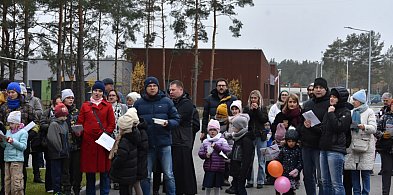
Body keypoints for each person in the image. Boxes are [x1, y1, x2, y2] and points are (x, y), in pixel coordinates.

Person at [133, 76, 180, 195]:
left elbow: (176, 119)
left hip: (164, 144)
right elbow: (133, 121)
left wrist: (168, 123)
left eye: (154, 86)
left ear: (158, 87)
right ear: (145, 88)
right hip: (147, 145)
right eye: (149, 86)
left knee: (169, 175)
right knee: (146, 175)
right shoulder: (138, 103)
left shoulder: (167, 101)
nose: (152, 88)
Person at [77, 81, 115, 195]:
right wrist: (80, 132)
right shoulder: (85, 106)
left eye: (100, 91)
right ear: (92, 92)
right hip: (89, 144)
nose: (97, 93)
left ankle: (105, 193)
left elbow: (111, 124)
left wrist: (105, 134)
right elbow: (80, 122)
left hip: (102, 143)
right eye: (95, 91)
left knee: (104, 173)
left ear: (103, 93)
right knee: (90, 174)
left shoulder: (107, 106)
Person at [0, 82, 39, 194]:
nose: (11, 94)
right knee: (6, 169)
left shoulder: (27, 107)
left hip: (22, 141)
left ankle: (20, 190)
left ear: (18, 92)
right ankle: (5, 190)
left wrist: (30, 134)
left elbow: (36, 122)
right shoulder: (4, 107)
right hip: (6, 142)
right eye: (9, 92)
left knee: (20, 170)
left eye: (13, 92)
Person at [297, 78, 330, 195]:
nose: (318, 90)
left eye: (321, 88)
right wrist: (303, 127)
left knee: (322, 177)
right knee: (308, 176)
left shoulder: (329, 104)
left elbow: (328, 127)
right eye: (316, 87)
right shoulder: (308, 104)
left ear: (325, 89)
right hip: (306, 145)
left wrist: (313, 127)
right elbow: (300, 123)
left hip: (321, 146)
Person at [319, 87, 352, 195]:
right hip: (324, 148)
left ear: (341, 98)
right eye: (331, 96)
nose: (331, 99)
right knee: (325, 181)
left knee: (337, 183)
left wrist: (331, 114)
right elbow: (324, 128)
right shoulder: (329, 110)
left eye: (335, 97)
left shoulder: (345, 112)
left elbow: (339, 127)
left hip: (336, 150)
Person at [344, 89, 377, 195]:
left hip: (365, 147)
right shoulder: (352, 112)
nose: (353, 101)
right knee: (354, 173)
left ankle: (365, 193)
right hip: (353, 147)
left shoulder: (369, 112)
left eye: (355, 99)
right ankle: (356, 193)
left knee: (365, 173)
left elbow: (373, 128)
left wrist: (364, 126)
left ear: (361, 101)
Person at [168, 80, 197, 195]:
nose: (171, 92)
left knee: (185, 167)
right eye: (170, 90)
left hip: (183, 140)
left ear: (181, 89)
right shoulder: (171, 102)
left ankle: (189, 190)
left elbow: (177, 118)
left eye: (173, 90)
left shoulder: (187, 104)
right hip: (174, 139)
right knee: (176, 168)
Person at [109, 108, 141, 195]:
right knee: (128, 190)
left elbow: (121, 157)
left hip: (124, 172)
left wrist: (113, 165)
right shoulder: (133, 135)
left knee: (124, 191)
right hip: (130, 171)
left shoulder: (124, 141)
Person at [242, 90, 268, 188]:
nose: (253, 100)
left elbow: (264, 119)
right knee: (249, 159)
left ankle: (261, 180)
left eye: (255, 98)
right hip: (250, 136)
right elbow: (246, 120)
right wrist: (251, 110)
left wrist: (257, 110)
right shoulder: (247, 108)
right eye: (252, 98)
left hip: (261, 136)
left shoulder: (263, 108)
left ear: (258, 99)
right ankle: (250, 180)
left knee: (261, 160)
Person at [198, 119, 231, 195]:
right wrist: (205, 155)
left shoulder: (222, 140)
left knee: (217, 186)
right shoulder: (206, 141)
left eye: (214, 130)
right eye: (210, 130)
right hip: (209, 168)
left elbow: (227, 151)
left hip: (219, 167)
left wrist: (217, 147)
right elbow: (200, 153)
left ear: (218, 130)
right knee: (207, 185)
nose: (212, 132)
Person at [0, 111, 28, 195]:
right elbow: (5, 145)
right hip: (7, 159)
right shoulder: (8, 132)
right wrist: (2, 141)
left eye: (12, 123)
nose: (10, 125)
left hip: (16, 160)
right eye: (9, 123)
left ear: (17, 123)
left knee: (16, 181)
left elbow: (23, 147)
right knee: (7, 180)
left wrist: (13, 142)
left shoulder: (23, 132)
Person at [47, 103, 71, 195]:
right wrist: (61, 150)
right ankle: (57, 190)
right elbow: (54, 140)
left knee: (64, 172)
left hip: (64, 153)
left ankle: (63, 188)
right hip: (57, 154)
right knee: (56, 173)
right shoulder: (54, 124)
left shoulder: (64, 123)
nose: (65, 118)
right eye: (63, 116)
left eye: (65, 116)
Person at [61, 89, 82, 195]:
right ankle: (67, 190)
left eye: (72, 98)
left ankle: (77, 188)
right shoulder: (60, 111)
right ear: (63, 99)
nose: (71, 100)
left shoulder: (77, 111)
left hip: (77, 145)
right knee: (66, 170)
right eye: (68, 98)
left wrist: (79, 131)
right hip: (64, 146)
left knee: (77, 170)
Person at [40, 95, 62, 193]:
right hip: (48, 142)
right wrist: (51, 125)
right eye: (57, 103)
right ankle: (49, 186)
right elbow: (41, 124)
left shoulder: (63, 112)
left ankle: (58, 185)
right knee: (49, 164)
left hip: (60, 141)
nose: (59, 105)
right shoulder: (47, 112)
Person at [228, 115, 254, 195]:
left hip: (241, 171)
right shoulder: (237, 137)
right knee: (237, 189)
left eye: (234, 126)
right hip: (236, 170)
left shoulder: (246, 140)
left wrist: (243, 172)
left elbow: (247, 158)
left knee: (241, 189)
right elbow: (235, 151)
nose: (233, 128)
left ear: (240, 127)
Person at [23, 86, 44, 184]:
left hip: (32, 130)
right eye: (27, 92)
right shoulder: (21, 102)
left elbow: (40, 111)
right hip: (22, 130)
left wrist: (30, 112)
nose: (28, 93)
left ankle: (37, 175)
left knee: (36, 154)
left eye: (29, 92)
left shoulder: (35, 100)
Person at [276, 129, 303, 195]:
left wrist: (297, 169)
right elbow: (279, 160)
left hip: (293, 176)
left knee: (289, 192)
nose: (291, 143)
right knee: (280, 191)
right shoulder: (283, 149)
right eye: (289, 141)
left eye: (293, 141)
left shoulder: (298, 150)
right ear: (286, 141)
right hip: (283, 175)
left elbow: (301, 162)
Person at [375, 101, 393, 195]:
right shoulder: (384, 117)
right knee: (386, 171)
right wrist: (382, 135)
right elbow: (376, 130)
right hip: (387, 148)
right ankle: (385, 193)